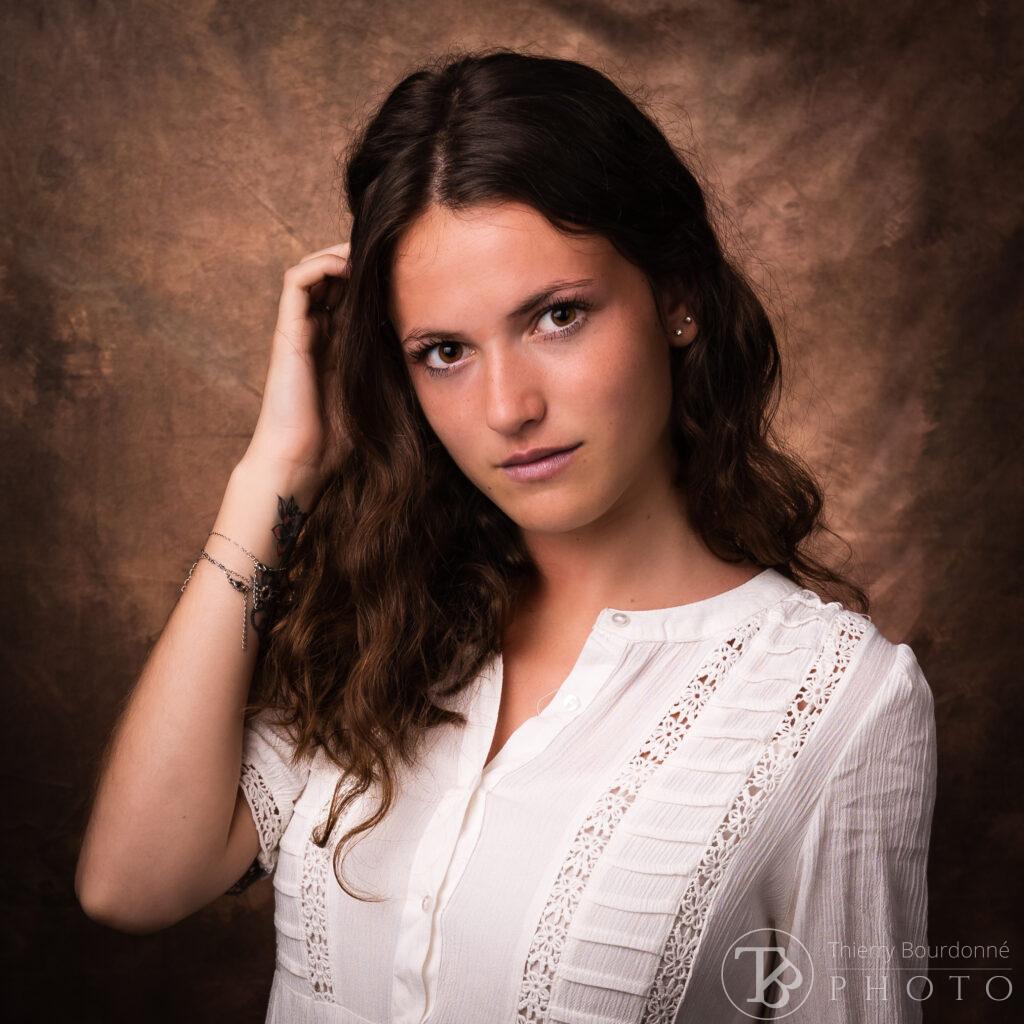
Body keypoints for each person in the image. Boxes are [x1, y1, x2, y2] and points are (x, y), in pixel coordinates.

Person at [75, 47, 937, 1023]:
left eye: (558, 316)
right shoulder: (376, 615)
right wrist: (272, 472)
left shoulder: (833, 700)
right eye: (444, 351)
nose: (506, 407)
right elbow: (133, 882)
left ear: (678, 298)